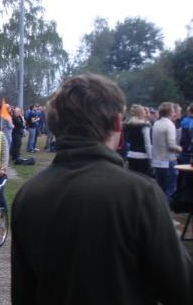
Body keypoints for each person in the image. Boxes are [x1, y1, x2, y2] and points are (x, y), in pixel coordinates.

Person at [11, 74, 193, 305]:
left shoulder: (28, 195)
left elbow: (23, 293)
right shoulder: (139, 194)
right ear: (118, 123)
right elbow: (182, 291)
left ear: (54, 125)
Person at [152, 102, 182, 205]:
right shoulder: (170, 125)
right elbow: (171, 145)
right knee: (170, 189)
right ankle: (166, 217)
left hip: (157, 161)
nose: (174, 113)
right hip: (168, 160)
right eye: (173, 110)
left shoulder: (156, 123)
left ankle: (157, 214)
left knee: (159, 189)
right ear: (170, 112)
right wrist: (179, 148)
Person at [124, 104, 153, 178]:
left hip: (130, 154)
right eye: (144, 110)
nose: (145, 112)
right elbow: (147, 144)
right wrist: (150, 158)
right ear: (140, 112)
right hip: (142, 156)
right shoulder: (145, 125)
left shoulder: (127, 124)